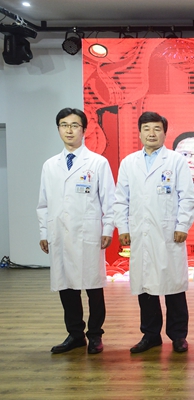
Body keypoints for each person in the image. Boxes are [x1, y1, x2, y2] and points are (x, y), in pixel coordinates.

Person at [113, 111, 194, 354]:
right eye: (147, 128)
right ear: (139, 133)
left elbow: (187, 197)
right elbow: (121, 199)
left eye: (157, 129)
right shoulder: (129, 162)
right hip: (140, 232)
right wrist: (123, 228)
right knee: (145, 286)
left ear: (164, 133)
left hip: (169, 232)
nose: (151, 133)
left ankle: (178, 336)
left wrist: (182, 226)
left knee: (174, 286)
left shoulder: (176, 161)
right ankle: (150, 335)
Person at [37, 108, 115, 355]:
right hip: (59, 233)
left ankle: (95, 335)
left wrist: (108, 228)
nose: (69, 130)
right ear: (58, 129)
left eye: (74, 125)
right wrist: (44, 232)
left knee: (93, 287)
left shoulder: (97, 163)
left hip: (88, 232)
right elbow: (43, 203)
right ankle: (75, 334)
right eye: (64, 125)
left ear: (84, 130)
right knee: (66, 287)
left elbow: (109, 200)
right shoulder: (50, 165)